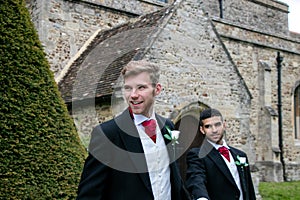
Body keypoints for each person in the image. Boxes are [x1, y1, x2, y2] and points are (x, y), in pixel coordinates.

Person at [76, 60, 191, 200]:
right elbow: (89, 195)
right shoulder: (107, 134)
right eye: (128, 88)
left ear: (157, 89)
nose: (133, 95)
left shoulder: (168, 126)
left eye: (141, 87)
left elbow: (173, 178)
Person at [185, 108, 256, 200]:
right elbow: (196, 179)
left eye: (217, 125)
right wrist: (201, 197)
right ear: (202, 130)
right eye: (208, 126)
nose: (214, 130)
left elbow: (249, 190)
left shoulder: (241, 155)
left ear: (224, 125)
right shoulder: (197, 155)